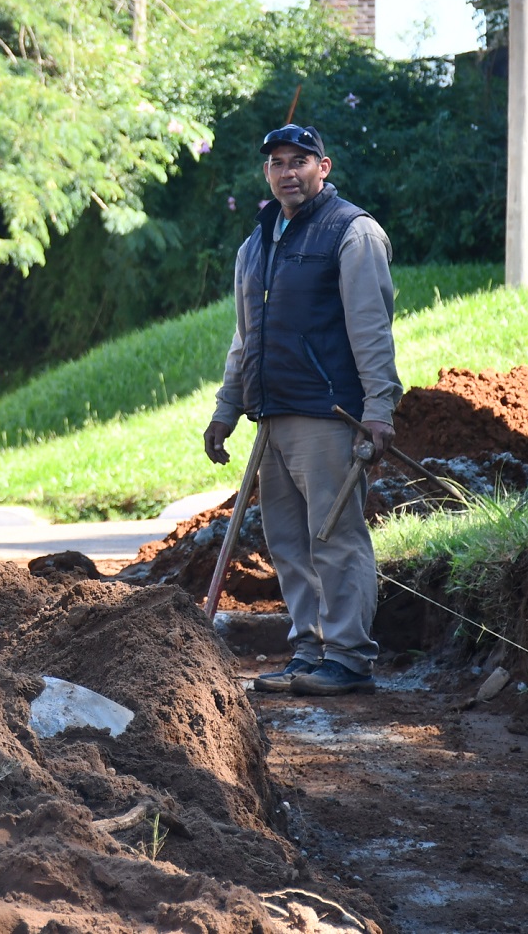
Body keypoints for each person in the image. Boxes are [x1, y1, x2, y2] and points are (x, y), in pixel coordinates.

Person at [202, 123, 401, 697]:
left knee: (334, 536)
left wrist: (378, 408)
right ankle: (310, 650)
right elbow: (246, 335)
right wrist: (227, 407)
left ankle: (348, 658)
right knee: (288, 540)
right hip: (273, 412)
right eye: (277, 163)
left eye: (299, 161)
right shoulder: (258, 241)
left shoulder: (353, 233)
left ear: (324, 167)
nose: (287, 171)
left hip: (330, 412)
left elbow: (371, 327)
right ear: (267, 173)